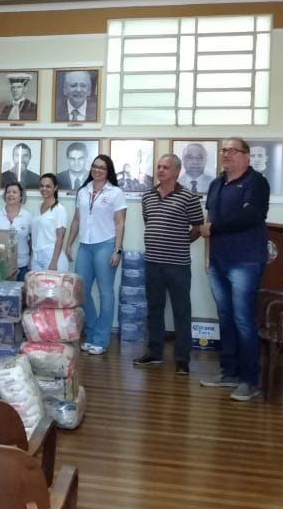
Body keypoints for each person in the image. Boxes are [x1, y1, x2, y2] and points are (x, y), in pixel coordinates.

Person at [198, 138, 270, 402]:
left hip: (246, 261)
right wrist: (207, 255)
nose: (226, 155)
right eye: (223, 150)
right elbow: (209, 220)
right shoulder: (216, 183)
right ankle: (229, 371)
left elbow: (250, 216)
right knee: (225, 318)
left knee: (243, 320)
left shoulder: (256, 182)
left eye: (232, 151)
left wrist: (213, 230)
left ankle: (250, 380)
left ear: (246, 156)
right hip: (218, 260)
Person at [133, 154, 205, 375]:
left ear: (176, 171)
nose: (161, 170)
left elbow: (198, 228)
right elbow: (150, 222)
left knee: (181, 311)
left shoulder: (188, 197)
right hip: (153, 263)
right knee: (154, 310)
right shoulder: (148, 197)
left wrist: (182, 241)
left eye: (166, 167)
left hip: (178, 265)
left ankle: (182, 359)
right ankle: (154, 353)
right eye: (159, 166)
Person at [66, 154, 126, 356]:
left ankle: (101, 339)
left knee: (106, 293)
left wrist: (117, 249)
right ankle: (90, 334)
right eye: (94, 166)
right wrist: (68, 244)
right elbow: (76, 220)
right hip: (85, 245)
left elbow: (120, 223)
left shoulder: (115, 192)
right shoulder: (83, 191)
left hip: (106, 245)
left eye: (101, 167)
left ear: (108, 171)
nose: (97, 170)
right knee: (81, 292)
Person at [0, 181, 32, 280]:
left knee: (21, 294)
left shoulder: (28, 217)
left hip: (22, 265)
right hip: (0, 264)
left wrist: (31, 259)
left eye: (14, 192)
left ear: (21, 196)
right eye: (8, 192)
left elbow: (31, 241)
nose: (11, 194)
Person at [30, 174, 69, 274]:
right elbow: (35, 236)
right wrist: (31, 257)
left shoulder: (59, 209)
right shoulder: (37, 207)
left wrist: (54, 262)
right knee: (36, 289)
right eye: (42, 186)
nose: (44, 189)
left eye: (48, 186)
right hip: (36, 257)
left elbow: (60, 237)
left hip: (52, 258)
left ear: (55, 188)